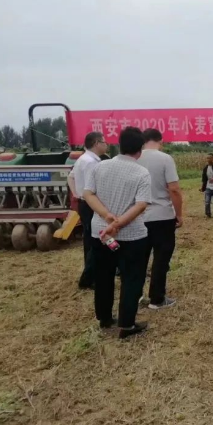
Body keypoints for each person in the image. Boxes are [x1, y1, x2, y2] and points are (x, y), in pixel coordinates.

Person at [83, 127, 152, 339]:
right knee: (131, 278)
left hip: (101, 234)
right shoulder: (141, 173)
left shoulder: (100, 167)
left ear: (119, 145)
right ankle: (127, 324)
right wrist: (118, 223)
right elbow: (141, 205)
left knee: (103, 276)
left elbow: (88, 194)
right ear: (140, 149)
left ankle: (104, 318)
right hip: (131, 236)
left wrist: (107, 217)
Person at [137, 128, 183, 310]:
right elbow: (174, 189)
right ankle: (157, 298)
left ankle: (136, 295)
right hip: (162, 216)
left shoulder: (134, 158)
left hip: (137, 216)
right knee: (161, 258)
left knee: (139, 259)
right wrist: (179, 214)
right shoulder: (165, 159)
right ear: (160, 141)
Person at [67, 131, 108, 290]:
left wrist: (76, 194)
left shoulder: (83, 159)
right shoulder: (91, 162)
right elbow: (95, 187)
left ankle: (90, 275)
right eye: (104, 142)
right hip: (91, 204)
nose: (106, 145)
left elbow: (70, 177)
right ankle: (89, 278)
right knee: (95, 241)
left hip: (84, 203)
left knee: (89, 241)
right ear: (96, 143)